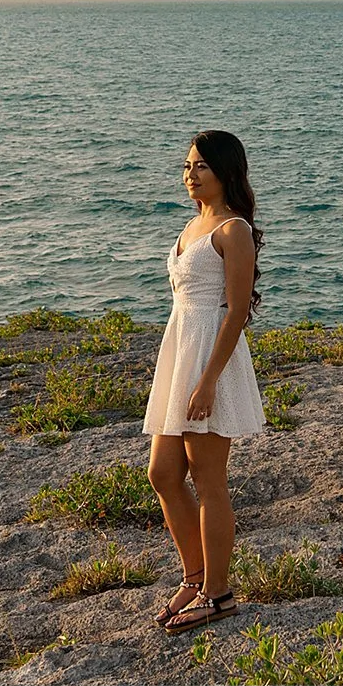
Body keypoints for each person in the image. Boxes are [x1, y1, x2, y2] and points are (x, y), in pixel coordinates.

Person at [143, 129, 266, 634]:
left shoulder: (234, 230)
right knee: (164, 474)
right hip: (180, 350)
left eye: (201, 167)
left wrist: (208, 380)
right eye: (187, 165)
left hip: (211, 358)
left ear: (226, 173)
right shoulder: (192, 225)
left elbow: (236, 311)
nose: (190, 174)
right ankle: (194, 577)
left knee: (208, 479)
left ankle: (219, 593)